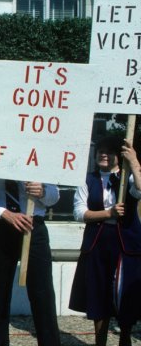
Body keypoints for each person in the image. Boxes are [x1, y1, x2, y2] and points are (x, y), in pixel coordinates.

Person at [0, 148, 61, 346]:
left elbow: (54, 196)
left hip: (33, 225)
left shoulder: (41, 152)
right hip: (1, 225)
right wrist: (4, 213)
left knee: (42, 291)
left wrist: (42, 191)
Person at [70, 136, 141, 346]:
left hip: (126, 243)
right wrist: (108, 213)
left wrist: (135, 162)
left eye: (109, 151)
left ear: (118, 157)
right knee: (97, 293)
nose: (103, 154)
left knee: (124, 293)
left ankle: (125, 337)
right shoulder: (88, 180)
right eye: (100, 150)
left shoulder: (127, 177)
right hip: (97, 243)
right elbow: (79, 212)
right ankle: (99, 340)